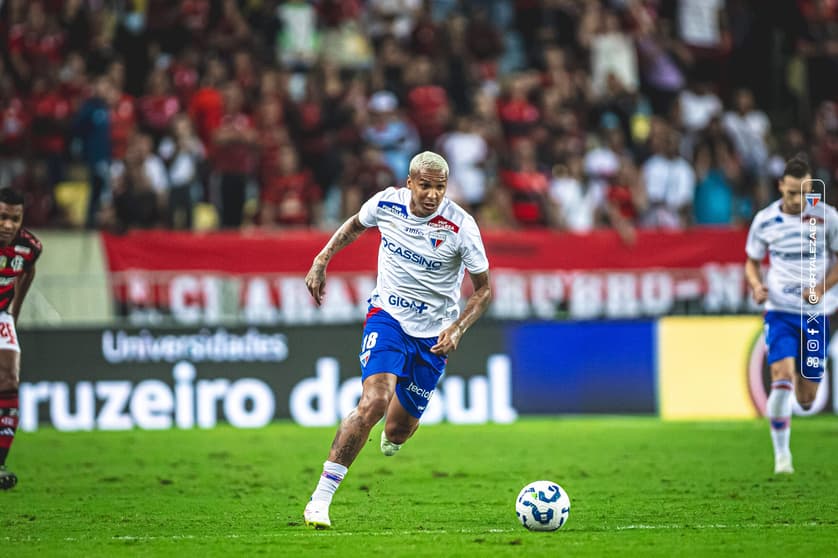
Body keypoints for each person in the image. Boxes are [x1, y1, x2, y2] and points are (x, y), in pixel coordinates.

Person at [302, 151, 491, 528]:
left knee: (396, 430)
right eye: (425, 185)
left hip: (433, 336)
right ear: (409, 183)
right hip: (387, 318)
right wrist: (321, 260)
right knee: (373, 401)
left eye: (440, 187)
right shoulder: (386, 203)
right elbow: (355, 225)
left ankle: (397, 435)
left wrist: (457, 328)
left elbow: (483, 290)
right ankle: (320, 500)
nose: (433, 194)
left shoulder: (460, 226)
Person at [744, 157, 838, 475]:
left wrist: (821, 288)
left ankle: (801, 386)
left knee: (808, 398)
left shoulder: (826, 219)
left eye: (806, 192)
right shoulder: (765, 221)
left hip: (814, 316)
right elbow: (752, 260)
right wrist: (756, 285)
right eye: (792, 192)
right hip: (780, 312)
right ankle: (782, 458)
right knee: (780, 377)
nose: (799, 200)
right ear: (780, 186)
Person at [0, 188, 43, 489]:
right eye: (2, 217)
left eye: (15, 219)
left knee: (10, 381)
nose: (8, 225)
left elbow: (28, 272)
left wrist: (15, 312)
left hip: (1, 315)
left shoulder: (29, 247)